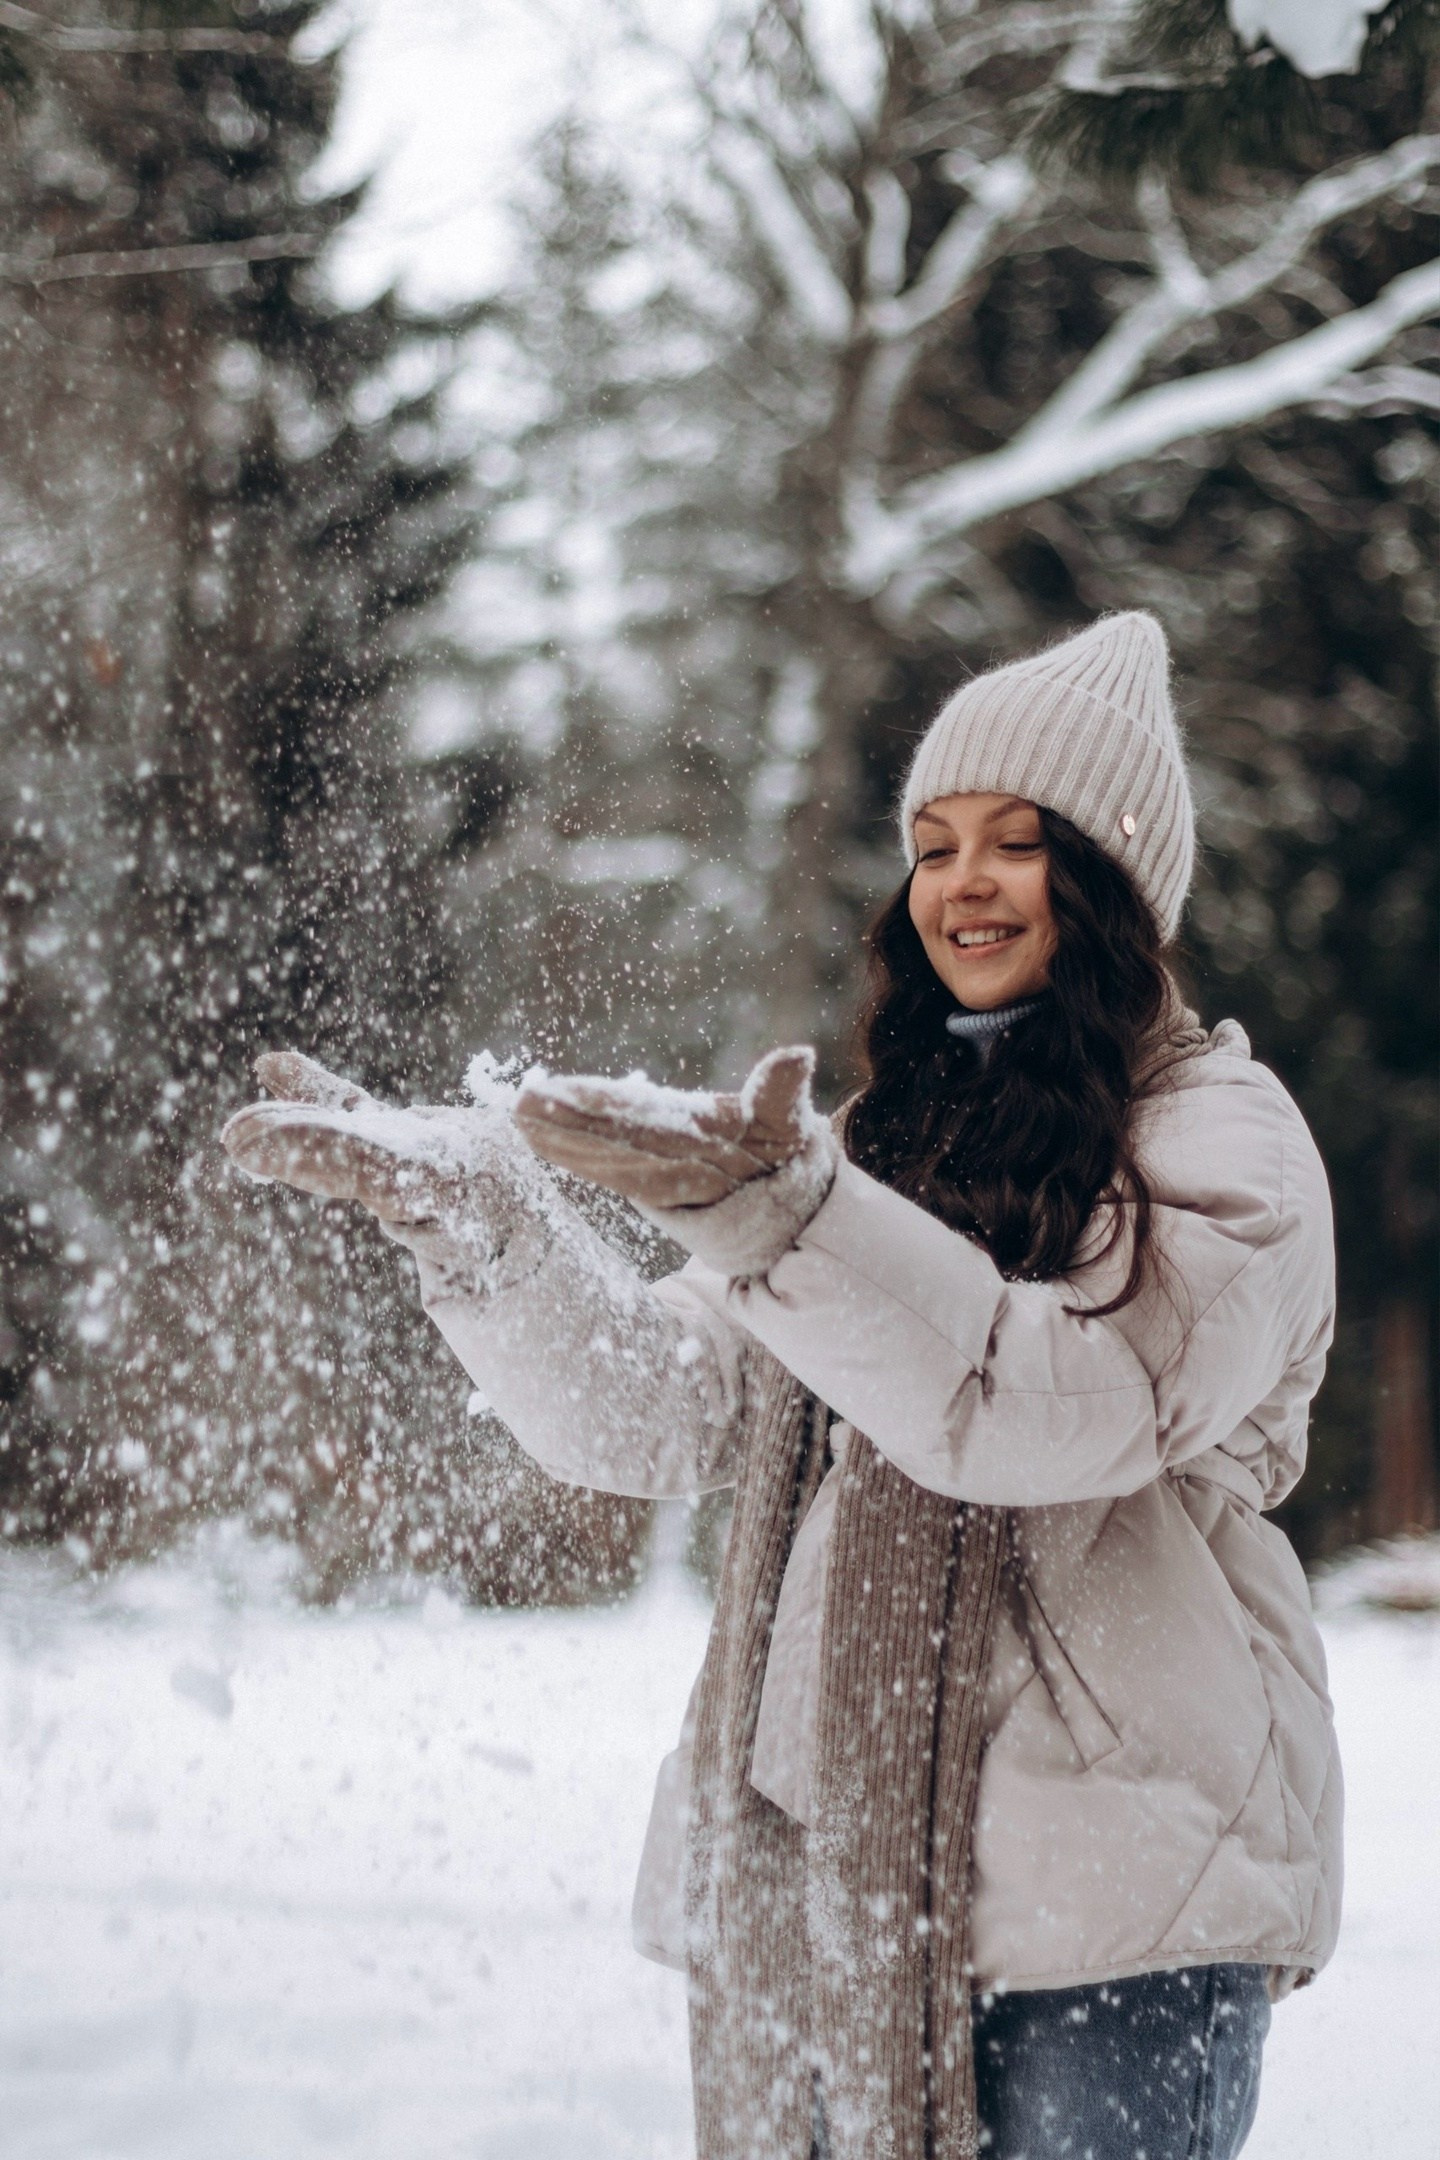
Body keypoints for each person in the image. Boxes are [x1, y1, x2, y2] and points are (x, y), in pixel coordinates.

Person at [222, 613, 1342, 2160]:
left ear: (1113, 879)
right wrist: (480, 1221)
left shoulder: (1224, 1139)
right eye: (935, 843)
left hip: (1118, 1909)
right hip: (825, 1877)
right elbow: (672, 1404)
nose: (961, 882)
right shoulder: (885, 1148)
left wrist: (790, 1219)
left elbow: (1064, 1406)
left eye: (1018, 843)